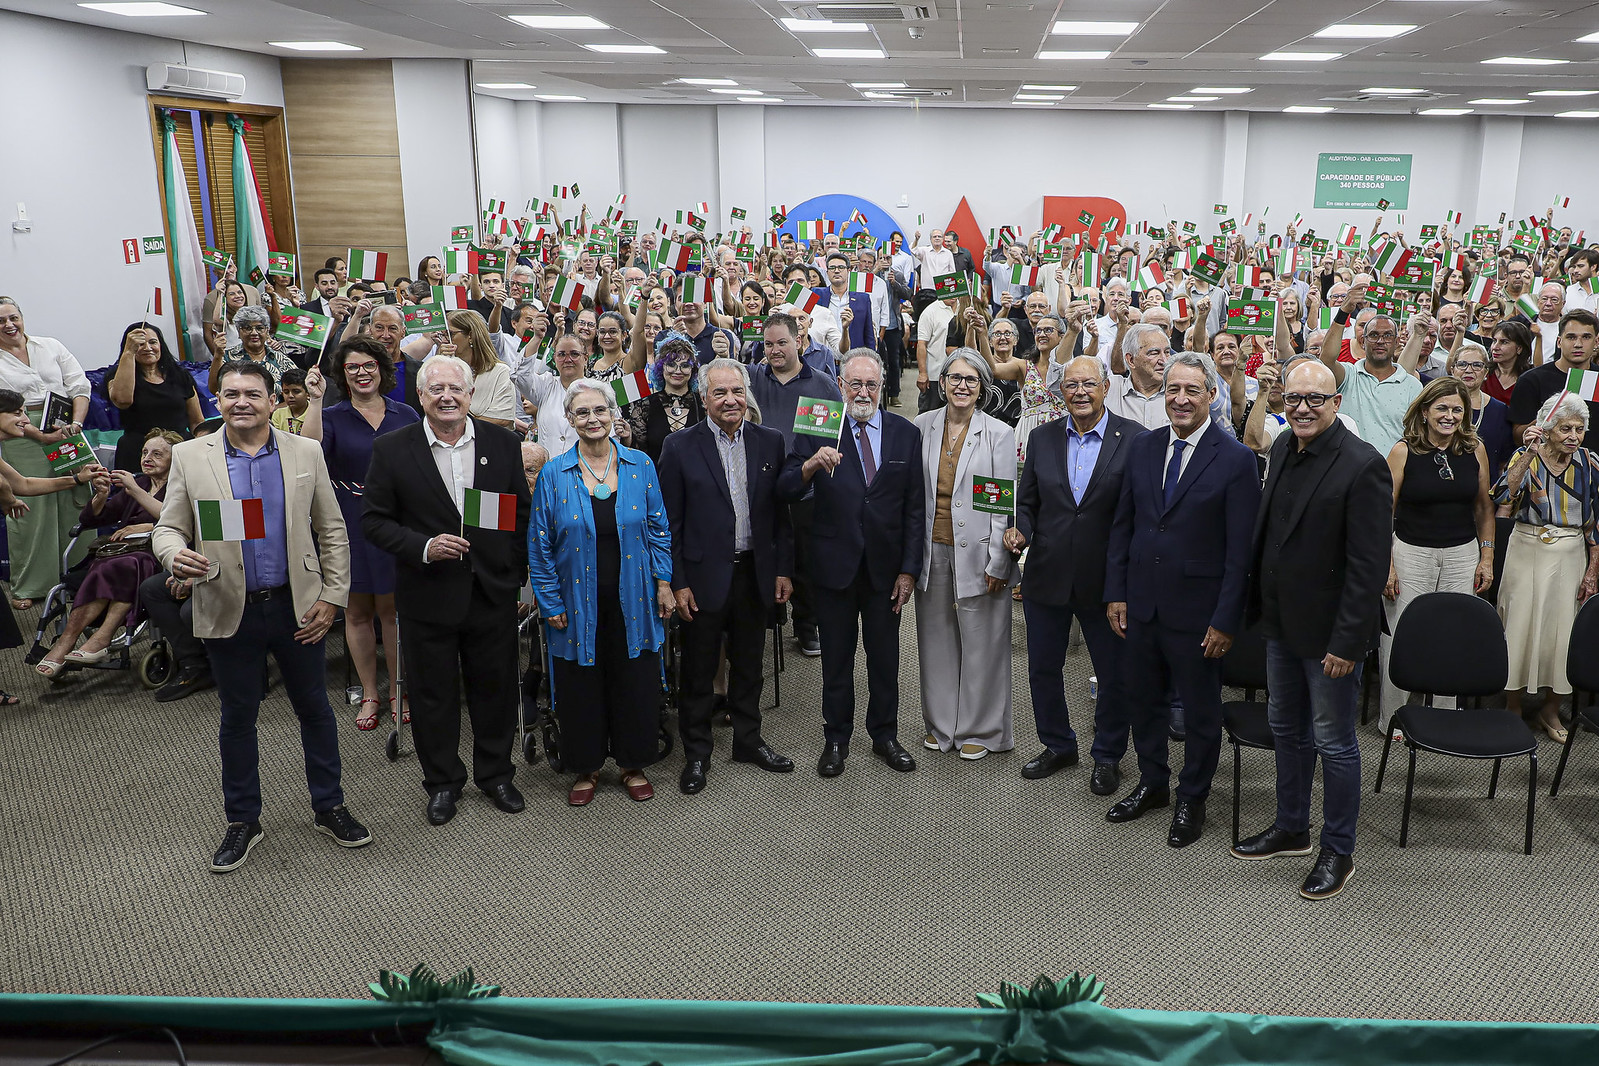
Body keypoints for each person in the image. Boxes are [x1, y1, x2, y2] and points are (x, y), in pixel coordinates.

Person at [152, 360, 368, 873]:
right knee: (237, 718)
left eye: (253, 393)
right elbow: (168, 528)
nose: (241, 402)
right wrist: (171, 555)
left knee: (314, 710)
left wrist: (334, 598)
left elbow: (333, 531)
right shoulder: (189, 456)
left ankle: (329, 805)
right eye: (231, 394)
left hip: (299, 606)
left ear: (273, 400)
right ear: (218, 400)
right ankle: (243, 820)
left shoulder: (305, 451)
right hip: (228, 607)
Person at [1234, 359, 1391, 901]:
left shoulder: (1362, 466)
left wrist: (1348, 643)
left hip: (1330, 637)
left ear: (1336, 403)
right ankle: (1292, 826)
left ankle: (1338, 850)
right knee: (1286, 729)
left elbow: (1368, 566)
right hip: (1280, 622)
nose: (1302, 407)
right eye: (1294, 397)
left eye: (1315, 399)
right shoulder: (1281, 447)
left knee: (1335, 743)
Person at [362, 355, 530, 826]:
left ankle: (496, 774)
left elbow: (519, 515)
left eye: (456, 388)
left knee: (495, 690)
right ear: (420, 397)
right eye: (436, 389)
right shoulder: (393, 449)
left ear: (470, 394)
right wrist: (423, 546)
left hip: (490, 591)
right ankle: (442, 783)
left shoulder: (501, 443)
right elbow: (374, 521)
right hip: (426, 592)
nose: (447, 397)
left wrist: (513, 574)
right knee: (433, 695)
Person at [1104, 352, 1260, 849]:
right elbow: (1123, 526)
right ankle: (1152, 781)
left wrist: (1226, 619)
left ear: (1212, 395)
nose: (1182, 399)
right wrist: (1116, 593)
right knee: (1143, 701)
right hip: (1141, 604)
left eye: (1193, 390)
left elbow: (1241, 553)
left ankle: (1193, 795)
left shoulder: (1235, 459)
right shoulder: (1144, 447)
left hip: (1200, 612)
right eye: (1174, 390)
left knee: (1198, 711)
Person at [778, 349, 925, 777]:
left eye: (871, 385)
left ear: (882, 388)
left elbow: (914, 508)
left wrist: (909, 569)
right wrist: (808, 465)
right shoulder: (818, 422)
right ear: (840, 386)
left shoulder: (904, 432)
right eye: (855, 384)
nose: (863, 391)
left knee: (885, 659)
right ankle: (836, 739)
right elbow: (785, 488)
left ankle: (885, 735)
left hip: (885, 570)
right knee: (836, 661)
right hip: (832, 566)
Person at [528, 378, 674, 806]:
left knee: (634, 679)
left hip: (636, 596)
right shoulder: (555, 472)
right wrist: (550, 599)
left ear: (614, 415)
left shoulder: (640, 465)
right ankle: (586, 767)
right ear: (570, 420)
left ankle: (632, 764)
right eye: (582, 413)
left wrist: (664, 583)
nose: (592, 419)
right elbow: (539, 543)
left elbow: (660, 531)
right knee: (581, 683)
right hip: (574, 602)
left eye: (600, 411)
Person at [1008, 357, 1144, 793]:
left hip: (1108, 583)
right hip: (1046, 575)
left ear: (1106, 386)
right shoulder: (1042, 436)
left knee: (1113, 674)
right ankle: (1057, 744)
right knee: (1042, 669)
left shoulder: (1135, 439)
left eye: (1089, 383)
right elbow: (1027, 502)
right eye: (1071, 385)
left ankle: (1107, 755)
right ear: (1060, 392)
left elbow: (1140, 514)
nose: (1080, 392)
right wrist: (1020, 531)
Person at [659, 358, 794, 793]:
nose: (730, 400)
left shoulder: (770, 442)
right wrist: (676, 581)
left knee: (751, 663)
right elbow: (668, 525)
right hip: (699, 580)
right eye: (719, 393)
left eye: (737, 391)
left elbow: (780, 517)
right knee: (698, 671)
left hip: (755, 573)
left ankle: (748, 741)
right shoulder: (679, 447)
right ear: (704, 398)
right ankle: (697, 753)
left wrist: (783, 570)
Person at [297, 338, 419, 730]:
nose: (362, 372)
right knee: (357, 610)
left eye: (369, 365)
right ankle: (370, 692)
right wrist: (314, 401)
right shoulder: (332, 415)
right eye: (353, 368)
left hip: (397, 520)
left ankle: (400, 689)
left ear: (382, 370)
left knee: (393, 611)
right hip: (347, 519)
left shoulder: (405, 414)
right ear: (343, 375)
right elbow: (307, 449)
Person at [1376, 377, 1497, 736]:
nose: (1450, 416)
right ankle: (1393, 719)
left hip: (1462, 553)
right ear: (1425, 411)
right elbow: (1383, 510)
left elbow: (1484, 508)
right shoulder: (1402, 451)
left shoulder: (1475, 449)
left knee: (1453, 634)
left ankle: (1445, 715)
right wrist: (1388, 564)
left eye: (1457, 409)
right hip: (1410, 552)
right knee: (1400, 635)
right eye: (1442, 408)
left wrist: (1486, 557)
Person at [912, 350, 1017, 759]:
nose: (962, 386)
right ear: (942, 384)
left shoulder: (998, 434)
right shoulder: (922, 426)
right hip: (932, 548)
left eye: (971, 380)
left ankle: (984, 728)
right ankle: (941, 723)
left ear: (982, 388)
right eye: (955, 378)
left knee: (983, 641)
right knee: (935, 639)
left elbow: (1000, 505)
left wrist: (999, 560)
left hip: (980, 552)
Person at [1494, 392, 1599, 743]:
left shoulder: (1590, 463)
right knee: (1518, 625)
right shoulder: (1528, 457)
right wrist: (1529, 454)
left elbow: (1596, 523)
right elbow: (1503, 495)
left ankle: (1550, 710)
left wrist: (1593, 568)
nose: (1573, 436)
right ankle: (1512, 706)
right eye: (1565, 428)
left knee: (1562, 631)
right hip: (1525, 547)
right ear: (1548, 428)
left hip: (1571, 553)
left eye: (1579, 429)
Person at [35, 430, 181, 676]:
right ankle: (66, 644)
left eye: (157, 454)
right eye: (145, 452)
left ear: (174, 459)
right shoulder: (141, 483)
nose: (148, 458)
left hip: (156, 554)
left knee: (124, 566)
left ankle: (100, 639)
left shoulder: (179, 484)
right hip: (120, 553)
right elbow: (91, 519)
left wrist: (150, 525)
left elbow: (182, 519)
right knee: (109, 567)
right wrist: (101, 496)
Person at [748, 313, 842, 659]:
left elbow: (833, 440)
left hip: (806, 488)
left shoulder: (822, 385)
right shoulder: (752, 378)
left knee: (805, 561)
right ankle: (767, 619)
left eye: (781, 343)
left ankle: (806, 625)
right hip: (759, 485)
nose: (774, 350)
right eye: (768, 343)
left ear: (798, 341)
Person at [0, 297, 93, 608]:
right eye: (1, 321)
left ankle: (82, 576)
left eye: (14, 317)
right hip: (20, 435)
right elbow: (4, 414)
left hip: (67, 429)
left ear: (22, 317)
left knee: (77, 501)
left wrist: (76, 425)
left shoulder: (50, 345)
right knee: (31, 511)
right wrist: (42, 436)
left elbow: (79, 386)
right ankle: (30, 585)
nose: (9, 325)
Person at [1317, 292, 1423, 456]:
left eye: (1387, 335)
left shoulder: (1412, 385)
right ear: (1363, 341)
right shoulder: (1349, 375)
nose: (1380, 341)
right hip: (1348, 470)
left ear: (1396, 342)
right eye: (1373, 335)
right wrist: (1343, 312)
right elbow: (1326, 360)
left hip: (1391, 474)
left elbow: (1417, 436)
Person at [105, 323, 203, 471]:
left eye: (153, 342)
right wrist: (129, 353)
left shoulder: (180, 375)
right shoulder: (116, 376)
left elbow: (197, 421)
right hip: (137, 452)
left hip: (180, 448)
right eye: (140, 344)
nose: (148, 348)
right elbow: (122, 401)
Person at [1510, 310, 1599, 452]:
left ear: (1596, 341)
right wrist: (1548, 417)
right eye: (1571, 337)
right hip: (1545, 466)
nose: (1578, 344)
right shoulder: (1531, 380)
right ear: (1559, 341)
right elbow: (1517, 436)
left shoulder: (1597, 378)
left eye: (1586, 337)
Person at [627, 337, 705, 463]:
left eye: (684, 365)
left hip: (696, 481)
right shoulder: (645, 405)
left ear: (693, 369)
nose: (677, 371)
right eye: (671, 365)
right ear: (661, 368)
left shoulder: (703, 404)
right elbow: (639, 454)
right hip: (657, 479)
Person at [206, 305, 297, 397]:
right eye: (248, 328)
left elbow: (297, 394)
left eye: (259, 328)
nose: (254, 333)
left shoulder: (282, 360)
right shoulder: (225, 357)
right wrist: (217, 355)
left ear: (267, 331)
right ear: (238, 332)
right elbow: (214, 389)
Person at [270, 368, 310, 435]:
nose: (290, 396)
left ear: (308, 393)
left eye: (296, 391)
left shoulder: (315, 415)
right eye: (286, 392)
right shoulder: (278, 414)